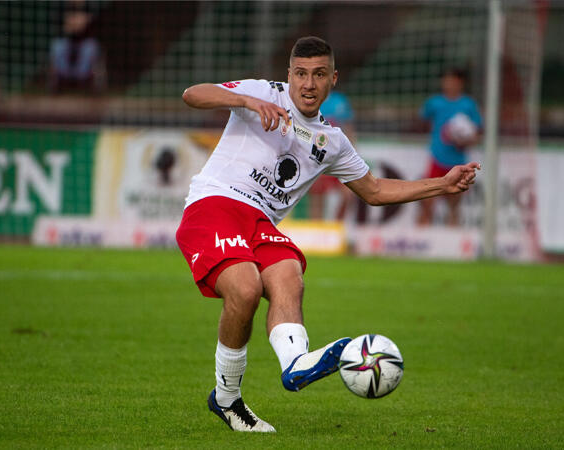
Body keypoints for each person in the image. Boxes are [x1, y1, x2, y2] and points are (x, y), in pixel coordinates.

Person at [177, 36, 479, 433]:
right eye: (300, 74)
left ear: (332, 79)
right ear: (288, 76)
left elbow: (374, 191)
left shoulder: (332, 142)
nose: (308, 84)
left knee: (288, 274)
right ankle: (227, 398)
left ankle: (296, 365)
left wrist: (441, 184)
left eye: (318, 75)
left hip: (261, 222)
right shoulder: (262, 92)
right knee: (247, 290)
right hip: (214, 204)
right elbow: (192, 94)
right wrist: (246, 102)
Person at [417, 68, 483, 226]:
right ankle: (421, 239)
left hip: (458, 162)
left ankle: (453, 242)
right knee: (428, 201)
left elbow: (478, 133)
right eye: (446, 80)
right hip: (437, 158)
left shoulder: (468, 104)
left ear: (460, 83)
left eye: (452, 80)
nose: (448, 84)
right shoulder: (435, 103)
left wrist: (464, 139)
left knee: (454, 203)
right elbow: (422, 120)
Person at [308, 90, 356, 220]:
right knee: (317, 198)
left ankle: (337, 226)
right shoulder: (310, 99)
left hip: (338, 157)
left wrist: (352, 154)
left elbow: (349, 129)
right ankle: (316, 233)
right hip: (317, 157)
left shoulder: (340, 101)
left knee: (348, 194)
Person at [48, 8, 104, 93]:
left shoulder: (89, 6)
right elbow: (66, 28)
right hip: (68, 41)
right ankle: (62, 78)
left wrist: (78, 25)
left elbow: (86, 26)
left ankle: (82, 78)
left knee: (91, 47)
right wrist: (76, 24)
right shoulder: (63, 6)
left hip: (85, 42)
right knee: (57, 46)